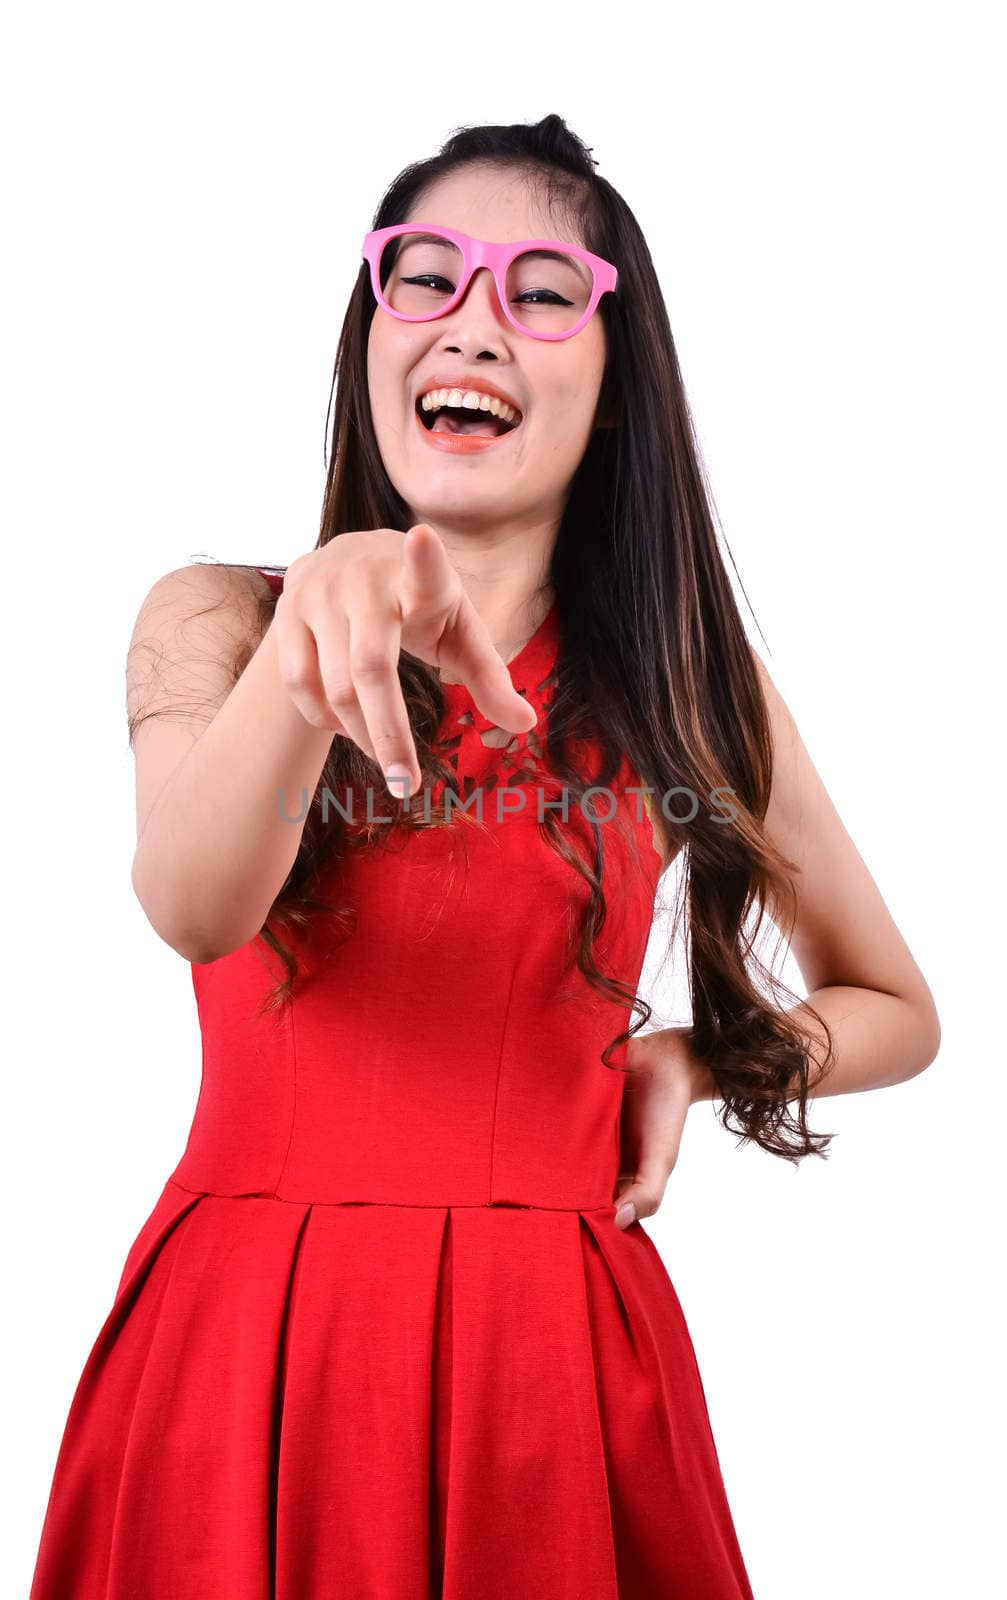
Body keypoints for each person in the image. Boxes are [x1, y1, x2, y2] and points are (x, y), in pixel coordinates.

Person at [29, 113, 941, 1599]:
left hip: (552, 1375)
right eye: (428, 278)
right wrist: (319, 624)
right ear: (370, 337)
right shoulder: (219, 623)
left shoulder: (685, 681)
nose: (475, 322)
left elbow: (898, 1008)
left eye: (538, 291)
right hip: (243, 1350)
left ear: (611, 377)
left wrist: (695, 1062)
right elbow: (195, 908)